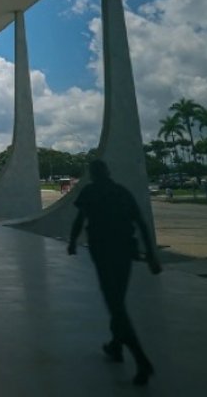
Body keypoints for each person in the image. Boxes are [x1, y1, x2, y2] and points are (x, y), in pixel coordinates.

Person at [68, 159, 160, 386]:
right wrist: (151, 255)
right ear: (108, 171)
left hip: (103, 252)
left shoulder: (90, 191)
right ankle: (116, 346)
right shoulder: (121, 191)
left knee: (116, 306)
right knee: (117, 298)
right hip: (124, 252)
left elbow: (80, 219)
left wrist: (72, 242)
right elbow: (141, 223)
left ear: (93, 174)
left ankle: (141, 360)